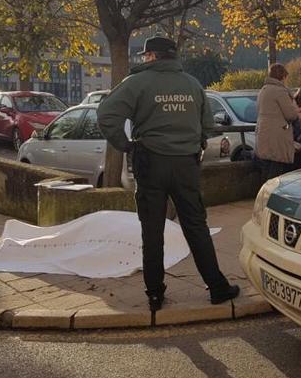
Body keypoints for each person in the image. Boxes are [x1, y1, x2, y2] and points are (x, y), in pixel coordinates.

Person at [97, 36, 240, 311]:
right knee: (196, 226)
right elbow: (208, 127)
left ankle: (155, 294)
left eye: (145, 56)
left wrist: (125, 145)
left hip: (150, 163)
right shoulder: (193, 84)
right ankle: (217, 287)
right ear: (173, 57)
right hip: (186, 165)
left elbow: (106, 115)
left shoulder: (137, 83)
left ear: (151, 56)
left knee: (152, 229)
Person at [255, 63, 301, 181]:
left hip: (264, 134)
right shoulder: (280, 91)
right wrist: (297, 110)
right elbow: (290, 114)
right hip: (277, 135)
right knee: (276, 171)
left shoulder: (263, 90)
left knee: (266, 169)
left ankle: (264, 194)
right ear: (283, 77)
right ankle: (271, 197)